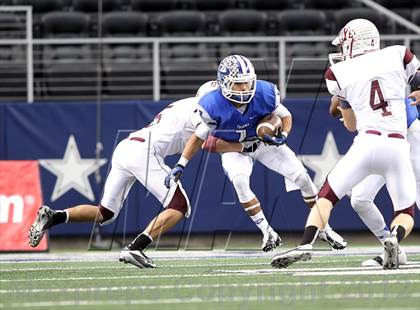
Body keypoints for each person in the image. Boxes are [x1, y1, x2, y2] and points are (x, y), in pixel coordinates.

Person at [28, 82, 244, 269]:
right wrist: (243, 146)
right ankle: (136, 247)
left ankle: (54, 216)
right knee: (180, 206)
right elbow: (207, 143)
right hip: (144, 152)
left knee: (105, 213)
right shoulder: (201, 111)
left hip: (127, 148)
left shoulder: (185, 105)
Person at [271, 19, 419, 270]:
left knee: (326, 196)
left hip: (397, 137)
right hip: (397, 144)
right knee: (368, 200)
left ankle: (307, 243)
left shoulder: (339, 73)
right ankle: (392, 242)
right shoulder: (398, 54)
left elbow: (350, 124)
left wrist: (342, 103)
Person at [165, 55, 347, 251]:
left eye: (247, 83)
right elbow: (206, 143)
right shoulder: (210, 104)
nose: (245, 89)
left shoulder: (264, 92)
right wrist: (181, 164)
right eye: (238, 84)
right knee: (240, 182)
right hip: (233, 147)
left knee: (302, 178)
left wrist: (283, 134)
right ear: (224, 84)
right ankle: (267, 232)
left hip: (262, 143)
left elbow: (285, 116)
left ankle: (324, 228)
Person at [330, 96, 420, 267]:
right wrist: (343, 101)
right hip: (383, 142)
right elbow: (335, 106)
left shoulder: (389, 71)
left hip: (409, 135)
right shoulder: (353, 77)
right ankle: (392, 249)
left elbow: (413, 77)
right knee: (360, 199)